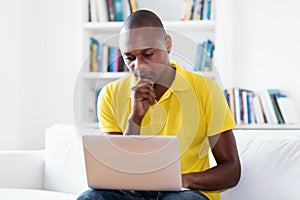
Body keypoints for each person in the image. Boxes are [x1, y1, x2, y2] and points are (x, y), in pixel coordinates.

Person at [78, 10, 241, 200]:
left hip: (184, 193)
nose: (138, 66)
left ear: (167, 44)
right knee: (91, 198)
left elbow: (231, 169)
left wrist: (178, 181)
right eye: (129, 58)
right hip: (131, 194)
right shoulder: (109, 95)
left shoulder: (206, 90)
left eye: (148, 54)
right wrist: (135, 118)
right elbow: (120, 170)